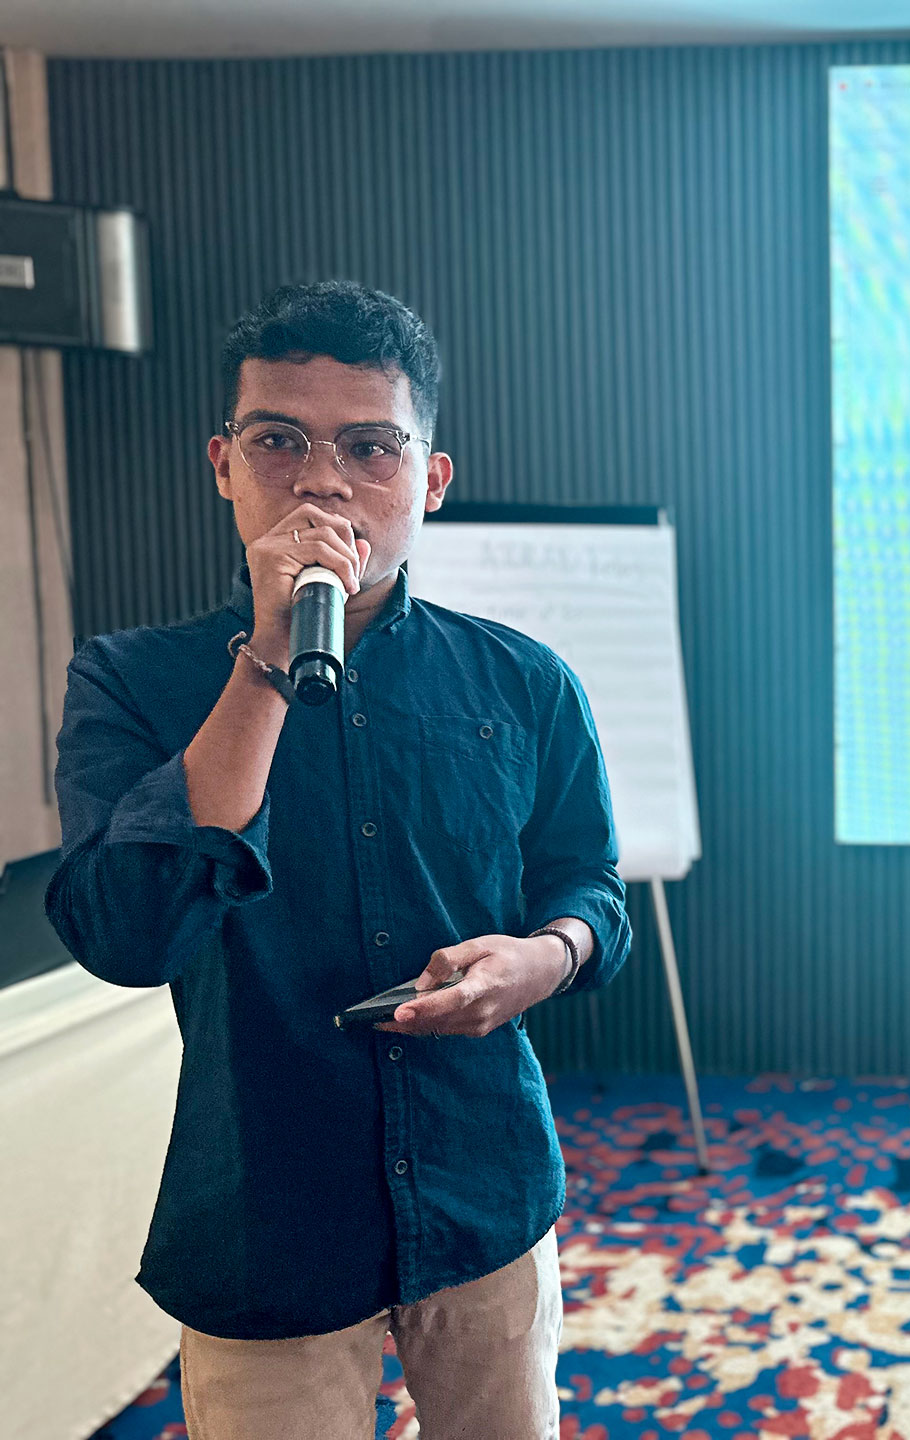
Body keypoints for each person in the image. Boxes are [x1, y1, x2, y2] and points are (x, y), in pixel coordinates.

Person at [45, 280, 632, 1439]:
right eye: (280, 442)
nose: (323, 480)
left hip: (485, 1190)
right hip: (267, 1214)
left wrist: (544, 960)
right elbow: (124, 932)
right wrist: (267, 657)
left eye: (371, 447)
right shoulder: (130, 683)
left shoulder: (523, 684)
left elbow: (592, 894)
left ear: (430, 480)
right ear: (223, 464)